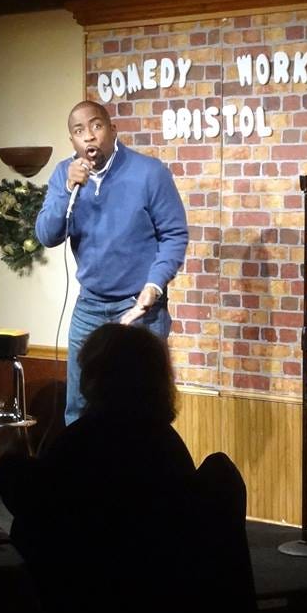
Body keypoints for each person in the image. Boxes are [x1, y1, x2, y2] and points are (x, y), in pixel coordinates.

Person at [0, 324, 272, 613]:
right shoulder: (168, 446)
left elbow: (31, 499)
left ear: (97, 377)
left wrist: (10, 452)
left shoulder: (84, 441)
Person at [36, 100, 188, 424]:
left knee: (146, 409)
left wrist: (153, 287)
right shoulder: (65, 174)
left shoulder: (149, 172)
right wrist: (67, 189)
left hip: (139, 308)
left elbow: (174, 235)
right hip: (89, 306)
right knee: (78, 409)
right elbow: (47, 235)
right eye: (79, 131)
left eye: (96, 126)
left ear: (112, 130)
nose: (89, 137)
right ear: (73, 142)